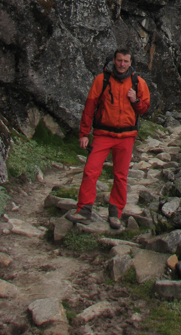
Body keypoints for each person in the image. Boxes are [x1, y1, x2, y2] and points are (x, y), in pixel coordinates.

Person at [69, 48, 150, 230]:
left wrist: (135, 100)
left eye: (126, 61)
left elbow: (144, 108)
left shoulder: (138, 83)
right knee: (90, 171)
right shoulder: (101, 80)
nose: (122, 64)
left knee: (120, 176)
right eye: (119, 60)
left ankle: (115, 214)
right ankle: (83, 210)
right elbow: (89, 107)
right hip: (102, 134)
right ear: (113, 61)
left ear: (131, 63)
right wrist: (84, 133)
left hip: (126, 136)